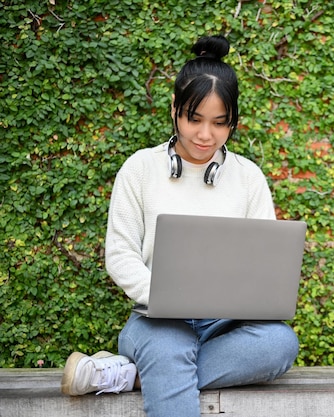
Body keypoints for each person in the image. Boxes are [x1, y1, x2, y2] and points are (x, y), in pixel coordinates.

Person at [60, 35, 300, 416]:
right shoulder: (140, 168)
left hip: (224, 326)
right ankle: (157, 366)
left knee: (279, 344)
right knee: (169, 350)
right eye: (195, 119)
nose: (206, 135)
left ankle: (129, 376)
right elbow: (121, 257)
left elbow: (263, 264)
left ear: (233, 120)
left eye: (220, 124)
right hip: (156, 321)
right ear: (175, 108)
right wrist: (165, 297)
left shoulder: (248, 177)